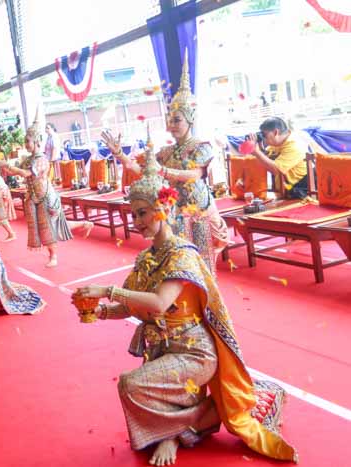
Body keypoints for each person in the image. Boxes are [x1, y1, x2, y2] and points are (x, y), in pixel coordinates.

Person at [73, 144, 297, 466]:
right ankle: (198, 420)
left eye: (142, 212)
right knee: (140, 388)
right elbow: (133, 305)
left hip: (194, 352)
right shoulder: (147, 257)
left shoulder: (182, 254)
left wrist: (107, 290)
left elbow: (159, 304)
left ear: (162, 209)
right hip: (163, 348)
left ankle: (177, 432)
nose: (136, 221)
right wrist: (100, 311)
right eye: (133, 213)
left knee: (130, 384)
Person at [103, 51, 228, 272]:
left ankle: (208, 305)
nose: (172, 125)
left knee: (203, 266)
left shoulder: (202, 146)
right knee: (178, 265)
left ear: (190, 118)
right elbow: (143, 171)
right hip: (174, 213)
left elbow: (194, 175)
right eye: (170, 120)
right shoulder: (165, 151)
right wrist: (120, 155)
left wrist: (162, 171)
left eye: (177, 120)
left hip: (199, 212)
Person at [1, 113, 93, 268]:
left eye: (28, 141)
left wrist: (8, 166)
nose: (26, 144)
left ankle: (54, 256)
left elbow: (25, 173)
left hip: (46, 197)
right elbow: (16, 172)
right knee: (53, 226)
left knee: (50, 228)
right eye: (25, 141)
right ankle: (84, 224)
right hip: (34, 197)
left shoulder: (41, 159)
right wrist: (2, 165)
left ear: (36, 141)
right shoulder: (28, 159)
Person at [248, 117, 309, 199]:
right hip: (285, 190)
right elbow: (265, 160)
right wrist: (258, 147)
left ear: (276, 132)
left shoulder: (294, 145)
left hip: (300, 191)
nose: (264, 138)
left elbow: (276, 170)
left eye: (265, 135)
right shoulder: (277, 143)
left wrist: (257, 152)